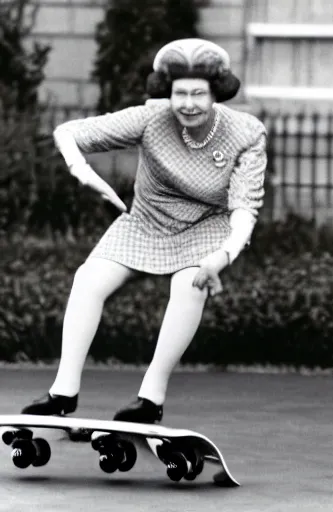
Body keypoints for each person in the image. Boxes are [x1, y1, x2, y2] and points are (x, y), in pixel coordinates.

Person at [20, 38, 267, 424]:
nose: (188, 103)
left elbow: (244, 206)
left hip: (207, 225)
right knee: (88, 279)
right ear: (166, 93)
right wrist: (87, 176)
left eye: (198, 94)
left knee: (190, 285)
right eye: (179, 93)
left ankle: (150, 399)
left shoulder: (246, 133)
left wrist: (224, 255)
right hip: (147, 220)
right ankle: (62, 393)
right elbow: (69, 133)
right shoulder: (151, 117)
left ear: (216, 93)